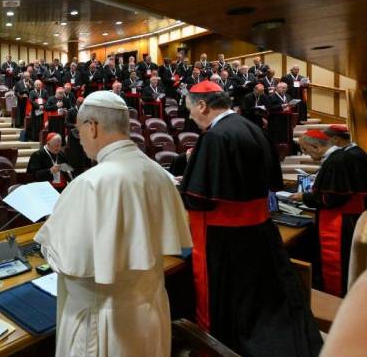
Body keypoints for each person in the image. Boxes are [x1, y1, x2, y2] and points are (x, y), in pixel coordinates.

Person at [35, 90, 191, 357]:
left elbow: (64, 261)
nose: (80, 138)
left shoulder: (90, 183)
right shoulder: (159, 173)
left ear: (92, 126)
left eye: (79, 130)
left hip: (104, 325)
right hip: (150, 313)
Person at [180, 80, 322, 355]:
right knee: (259, 302)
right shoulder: (252, 127)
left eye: (190, 109)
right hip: (259, 230)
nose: (190, 116)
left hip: (224, 240)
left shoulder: (215, 136)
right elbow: (272, 182)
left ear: (202, 105)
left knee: (230, 308)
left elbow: (198, 198)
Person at [290, 130, 367, 296]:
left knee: (336, 266)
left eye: (306, 150)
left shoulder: (335, 161)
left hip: (337, 221)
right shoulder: (341, 157)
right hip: (348, 217)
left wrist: (305, 197)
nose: (306, 154)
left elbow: (330, 198)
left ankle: (334, 298)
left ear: (316, 147)